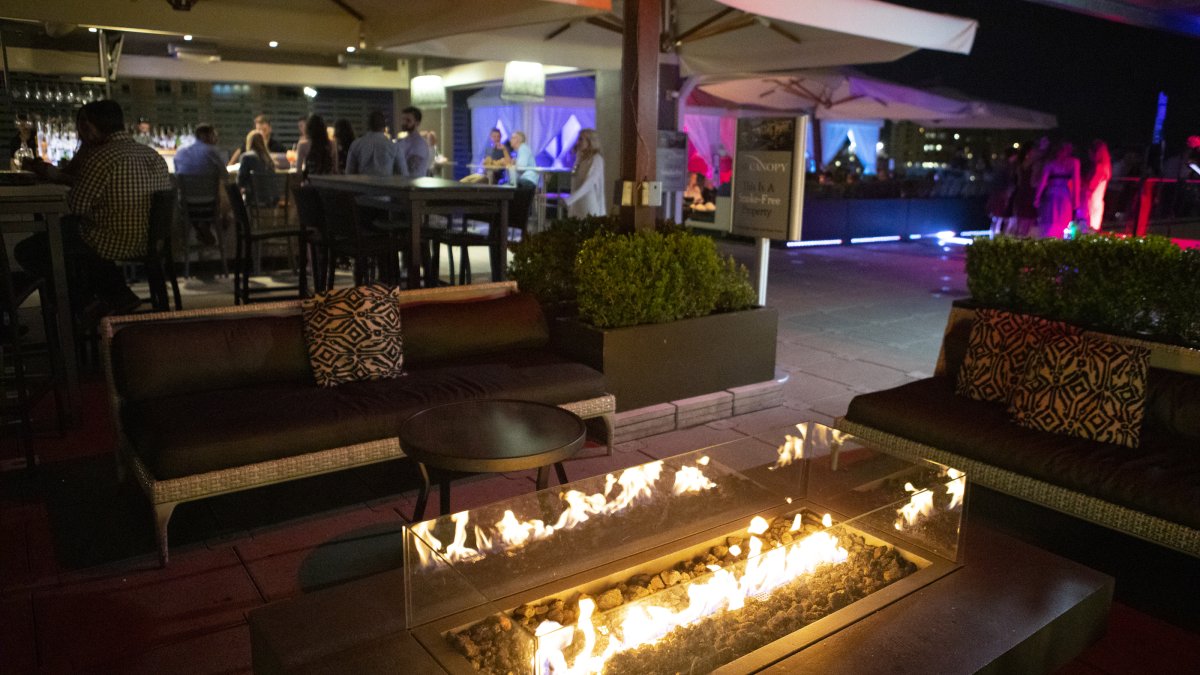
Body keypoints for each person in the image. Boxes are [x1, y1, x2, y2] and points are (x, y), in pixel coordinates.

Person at [15, 100, 170, 316]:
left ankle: (82, 304)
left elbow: (76, 205)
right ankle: (113, 295)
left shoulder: (101, 157)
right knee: (71, 237)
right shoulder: (152, 154)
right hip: (151, 241)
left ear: (88, 125)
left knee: (29, 249)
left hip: (112, 241)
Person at [1034, 140, 1081, 239]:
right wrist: (1076, 201)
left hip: (1052, 194)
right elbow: (1076, 182)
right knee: (1062, 220)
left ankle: (1050, 239)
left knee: (1051, 220)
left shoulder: (1051, 164)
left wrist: (1037, 197)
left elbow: (1043, 181)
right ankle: (1060, 240)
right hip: (1064, 194)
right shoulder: (1074, 163)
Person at [343, 110, 406, 177]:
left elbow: (349, 173)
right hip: (386, 185)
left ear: (368, 125)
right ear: (384, 127)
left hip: (363, 185)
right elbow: (403, 173)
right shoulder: (394, 146)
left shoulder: (356, 144)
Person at [565, 128, 606, 218]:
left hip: (588, 205)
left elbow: (589, 183)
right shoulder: (579, 158)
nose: (577, 142)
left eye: (581, 139)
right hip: (577, 205)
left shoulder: (596, 159)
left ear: (590, 141)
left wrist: (570, 199)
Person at [238, 131, 279, 206]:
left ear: (249, 142)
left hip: (254, 199)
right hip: (272, 199)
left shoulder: (247, 157)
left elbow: (240, 179)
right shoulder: (268, 159)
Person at [1081, 140, 1112, 232]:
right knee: (1094, 226)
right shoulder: (1106, 167)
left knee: (1089, 226)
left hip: (1091, 200)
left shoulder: (1099, 167)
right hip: (1097, 199)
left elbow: (1091, 186)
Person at [395, 106, 431, 178]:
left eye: (408, 120)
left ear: (417, 123)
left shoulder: (419, 144)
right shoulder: (402, 141)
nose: (404, 123)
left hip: (415, 186)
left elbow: (412, 169)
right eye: (403, 119)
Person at [301, 114, 337, 181]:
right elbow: (335, 169)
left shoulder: (303, 145)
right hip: (328, 184)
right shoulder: (332, 144)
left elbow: (298, 171)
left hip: (310, 183)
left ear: (308, 129)